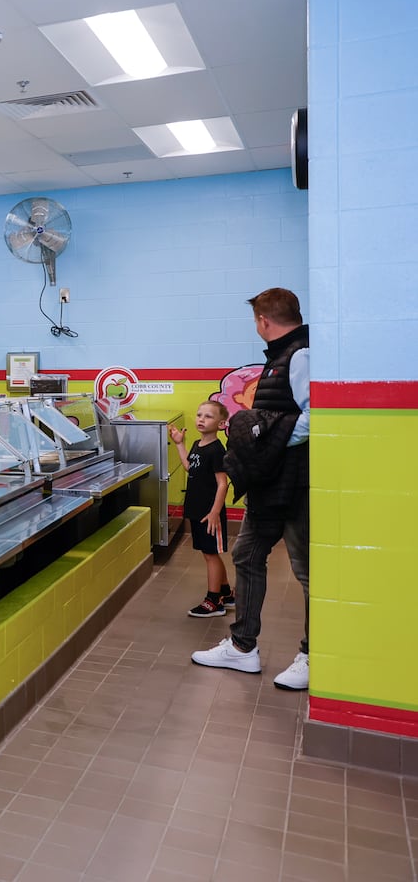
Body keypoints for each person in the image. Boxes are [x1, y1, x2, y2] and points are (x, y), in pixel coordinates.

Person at [191, 288, 310, 690]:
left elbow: (316, 417)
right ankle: (243, 648)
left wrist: (268, 440)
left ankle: (314, 654)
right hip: (269, 481)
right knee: (246, 554)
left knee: (306, 570)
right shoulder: (279, 358)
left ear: (263, 321)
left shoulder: (300, 356)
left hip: (297, 482)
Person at [170, 401, 233, 617]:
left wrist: (215, 512)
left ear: (221, 423)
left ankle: (214, 602)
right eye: (199, 415)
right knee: (210, 554)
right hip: (198, 510)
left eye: (208, 416)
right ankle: (226, 593)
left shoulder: (216, 450)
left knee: (211, 555)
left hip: (209, 513)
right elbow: (189, 466)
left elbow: (223, 483)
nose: (201, 419)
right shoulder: (198, 444)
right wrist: (180, 444)